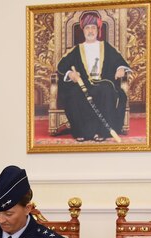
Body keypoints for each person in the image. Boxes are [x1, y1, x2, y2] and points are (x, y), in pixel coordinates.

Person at [56, 11, 131, 142]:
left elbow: (120, 62)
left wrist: (120, 69)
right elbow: (61, 67)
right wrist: (70, 74)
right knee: (73, 94)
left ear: (98, 30)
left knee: (106, 91)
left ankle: (102, 131)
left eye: (93, 27)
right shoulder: (76, 49)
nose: (90, 30)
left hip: (103, 83)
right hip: (83, 84)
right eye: (87, 27)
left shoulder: (106, 47)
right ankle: (82, 132)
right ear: (83, 30)